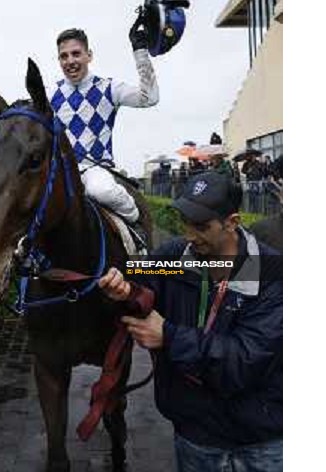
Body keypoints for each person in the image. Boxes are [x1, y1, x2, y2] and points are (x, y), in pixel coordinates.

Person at [98, 171, 283, 471]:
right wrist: (122, 288)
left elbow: (242, 361)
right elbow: (142, 282)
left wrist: (168, 336)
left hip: (261, 443)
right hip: (195, 437)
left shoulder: (272, 273)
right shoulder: (175, 258)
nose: (188, 235)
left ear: (232, 222)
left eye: (200, 226)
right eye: (185, 222)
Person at [50, 23, 158, 225]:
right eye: (64, 56)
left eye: (76, 54)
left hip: (95, 170)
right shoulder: (50, 94)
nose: (70, 61)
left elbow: (149, 97)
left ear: (89, 55)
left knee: (102, 191)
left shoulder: (109, 88)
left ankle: (137, 224)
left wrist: (140, 52)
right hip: (61, 172)